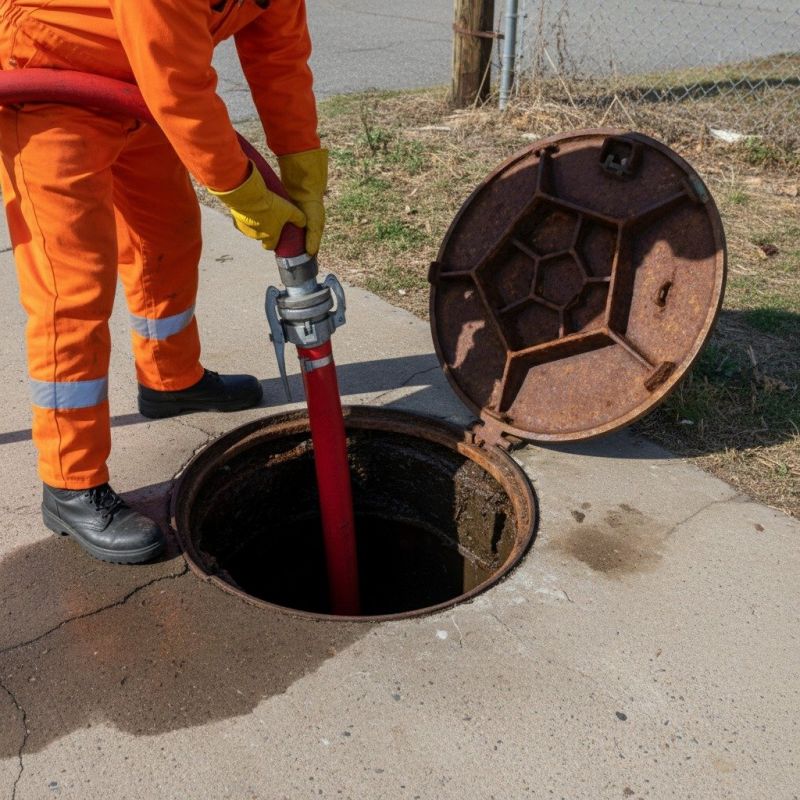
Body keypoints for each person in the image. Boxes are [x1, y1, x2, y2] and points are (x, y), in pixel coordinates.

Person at [0, 0, 327, 564]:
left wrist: (301, 168)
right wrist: (245, 191)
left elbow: (279, 54)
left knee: (168, 237)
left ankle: (170, 380)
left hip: (136, 89)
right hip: (50, 85)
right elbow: (177, 81)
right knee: (71, 289)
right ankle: (70, 482)